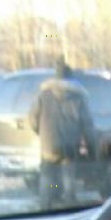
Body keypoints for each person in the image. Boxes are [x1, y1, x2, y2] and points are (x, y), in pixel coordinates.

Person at [28, 58, 94, 209]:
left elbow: (32, 118)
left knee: (48, 175)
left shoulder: (43, 95)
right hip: (70, 144)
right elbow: (87, 124)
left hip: (48, 144)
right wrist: (90, 145)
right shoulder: (78, 98)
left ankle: (47, 202)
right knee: (68, 176)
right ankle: (68, 204)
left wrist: (40, 132)